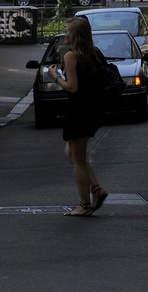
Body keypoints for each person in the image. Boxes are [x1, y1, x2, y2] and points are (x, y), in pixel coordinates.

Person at [44, 17, 110, 217]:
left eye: (67, 31)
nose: (65, 34)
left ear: (76, 35)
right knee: (71, 153)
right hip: (93, 109)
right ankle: (97, 190)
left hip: (79, 110)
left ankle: (85, 204)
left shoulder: (71, 56)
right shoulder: (94, 53)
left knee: (78, 159)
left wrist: (54, 76)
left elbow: (72, 87)